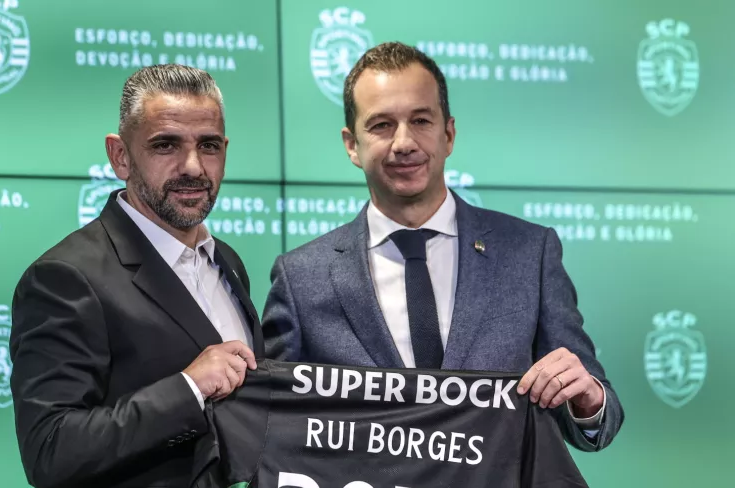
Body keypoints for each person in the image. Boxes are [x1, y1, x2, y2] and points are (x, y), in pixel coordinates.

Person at [262, 42, 623, 452]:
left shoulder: (529, 254)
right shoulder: (301, 278)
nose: (404, 142)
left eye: (421, 120)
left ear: (448, 134)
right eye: (381, 125)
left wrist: (588, 400)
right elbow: (273, 425)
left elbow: (595, 424)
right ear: (351, 144)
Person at [9, 64, 261, 488]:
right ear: (120, 155)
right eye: (166, 145)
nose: (193, 166)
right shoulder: (66, 276)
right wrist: (188, 389)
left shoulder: (227, 263)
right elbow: (48, 448)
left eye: (208, 145)